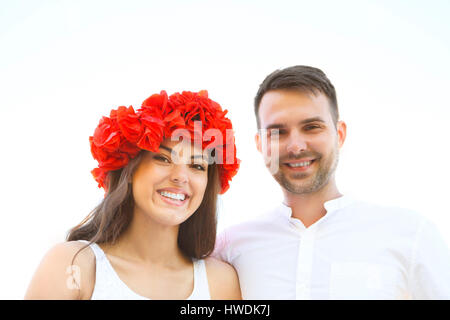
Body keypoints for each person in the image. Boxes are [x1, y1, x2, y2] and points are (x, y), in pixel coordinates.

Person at [213, 65, 450, 299]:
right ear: (260, 144)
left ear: (340, 134)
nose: (296, 146)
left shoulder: (411, 234)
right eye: (278, 132)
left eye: (312, 127)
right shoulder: (229, 248)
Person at [25, 90, 241, 300]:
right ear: (129, 170)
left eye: (197, 166)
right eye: (163, 159)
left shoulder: (220, 282)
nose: (181, 177)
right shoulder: (73, 265)